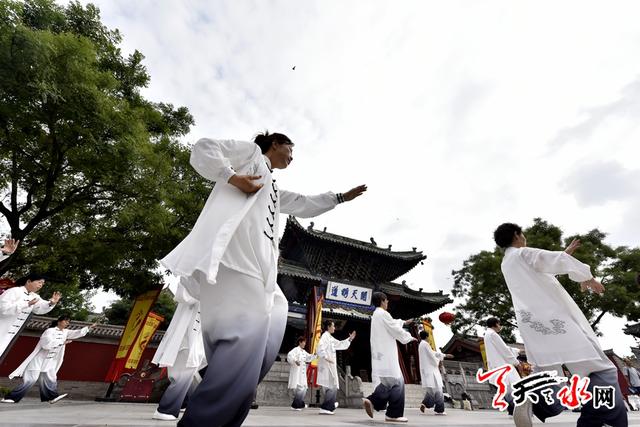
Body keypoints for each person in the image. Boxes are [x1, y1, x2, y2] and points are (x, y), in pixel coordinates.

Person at [160, 132, 366, 427]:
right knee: (241, 344)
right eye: (290, 149)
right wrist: (233, 178)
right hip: (234, 264)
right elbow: (204, 148)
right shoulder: (250, 156)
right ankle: (205, 416)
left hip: (259, 276)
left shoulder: (272, 186)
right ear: (275, 144)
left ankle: (221, 393)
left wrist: (340, 198)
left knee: (273, 320)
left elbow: (303, 203)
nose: (292, 156)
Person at [494, 222, 628, 427]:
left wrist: (564, 255)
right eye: (523, 234)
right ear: (516, 235)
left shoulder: (507, 263)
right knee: (601, 370)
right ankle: (609, 419)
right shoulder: (523, 254)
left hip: (533, 325)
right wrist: (588, 277)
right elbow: (550, 260)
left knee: (548, 371)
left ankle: (531, 395)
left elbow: (541, 272)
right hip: (558, 321)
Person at [1, 315, 94, 404]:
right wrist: (62, 342)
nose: (67, 323)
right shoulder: (49, 331)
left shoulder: (65, 332)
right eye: (65, 321)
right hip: (39, 359)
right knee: (31, 379)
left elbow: (77, 333)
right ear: (59, 321)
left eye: (68, 322)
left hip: (50, 360)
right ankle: (10, 397)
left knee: (50, 378)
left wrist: (88, 328)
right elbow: (46, 344)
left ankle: (51, 397)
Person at [151, 277, 206, 421]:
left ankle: (184, 402)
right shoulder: (191, 282)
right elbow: (184, 294)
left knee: (191, 370)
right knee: (184, 369)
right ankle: (167, 408)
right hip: (186, 334)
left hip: (197, 334)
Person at [362, 292, 416, 423]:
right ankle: (392, 413)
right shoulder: (383, 314)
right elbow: (394, 329)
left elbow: (392, 323)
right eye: (386, 300)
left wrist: (403, 322)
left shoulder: (376, 315)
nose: (388, 303)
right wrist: (409, 337)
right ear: (382, 300)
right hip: (387, 355)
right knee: (397, 381)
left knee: (391, 382)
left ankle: (375, 402)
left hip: (379, 355)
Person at [0, 273, 61, 359]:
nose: (40, 285)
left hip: (10, 334)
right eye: (39, 282)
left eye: (42, 284)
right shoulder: (14, 291)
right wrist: (26, 304)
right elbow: (2, 308)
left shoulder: (34, 296)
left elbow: (40, 308)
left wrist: (51, 303)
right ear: (29, 281)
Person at [483, 317, 523, 416]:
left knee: (506, 387)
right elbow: (504, 350)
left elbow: (502, 348)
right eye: (499, 324)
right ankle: (516, 410)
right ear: (496, 324)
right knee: (512, 386)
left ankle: (511, 410)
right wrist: (517, 363)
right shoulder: (493, 335)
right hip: (502, 364)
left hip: (496, 365)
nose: (500, 326)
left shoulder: (487, 335)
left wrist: (516, 350)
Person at [316, 320, 355, 414]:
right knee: (332, 386)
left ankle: (329, 405)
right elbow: (319, 348)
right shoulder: (325, 337)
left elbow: (340, 344)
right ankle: (327, 407)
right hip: (327, 366)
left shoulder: (330, 338)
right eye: (333, 326)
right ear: (329, 327)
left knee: (331, 386)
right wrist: (326, 357)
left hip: (330, 366)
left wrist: (349, 339)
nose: (334, 328)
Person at [418, 329, 453, 415]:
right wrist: (438, 362)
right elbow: (432, 356)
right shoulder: (426, 344)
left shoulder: (421, 345)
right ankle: (439, 410)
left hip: (426, 371)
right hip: (431, 371)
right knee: (438, 390)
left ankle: (425, 403)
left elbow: (433, 353)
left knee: (431, 390)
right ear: (427, 336)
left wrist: (444, 355)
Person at [286, 336, 315, 410]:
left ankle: (299, 403)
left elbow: (309, 357)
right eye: (304, 342)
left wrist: (315, 354)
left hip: (302, 373)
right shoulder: (296, 350)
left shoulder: (303, 352)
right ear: (300, 342)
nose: (305, 344)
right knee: (300, 388)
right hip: (297, 372)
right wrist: (295, 360)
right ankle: (296, 405)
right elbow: (289, 355)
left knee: (304, 388)